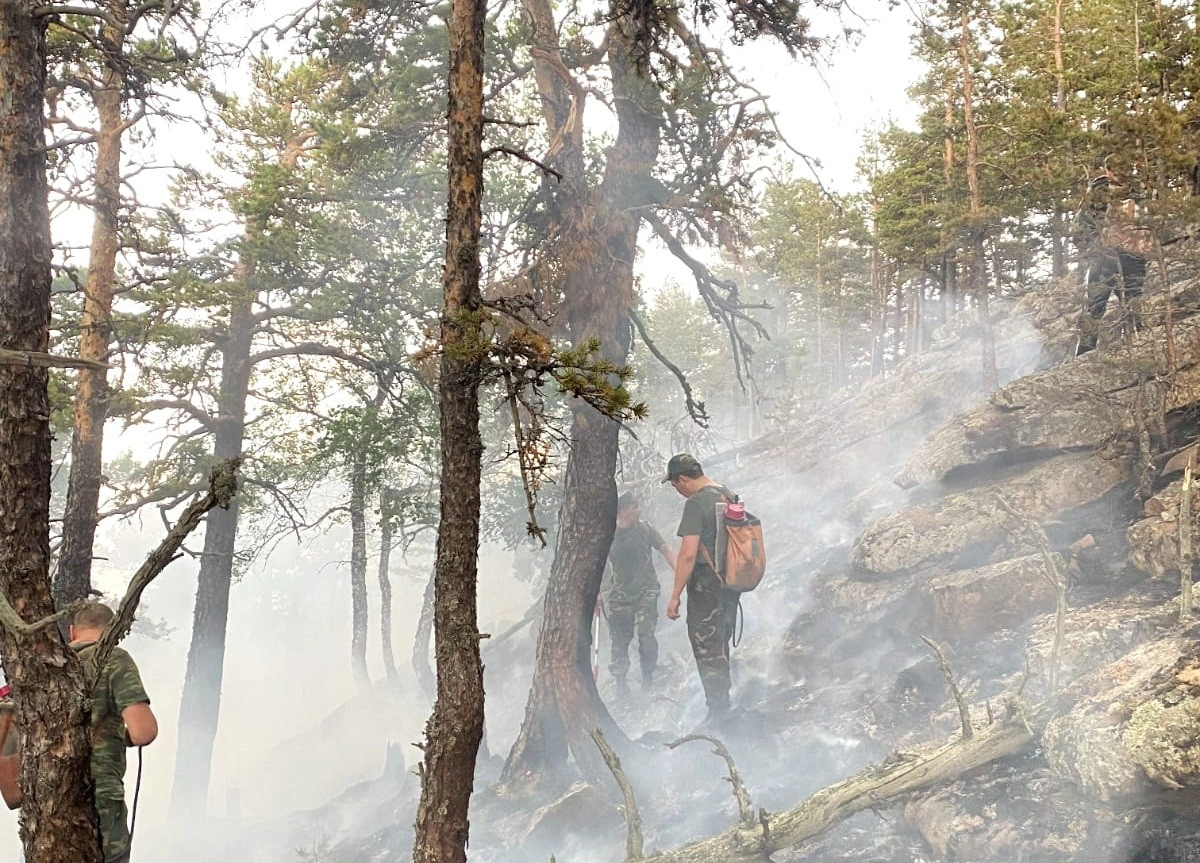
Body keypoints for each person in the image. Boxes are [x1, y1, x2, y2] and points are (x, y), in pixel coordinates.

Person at [69, 602, 158, 863]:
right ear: (115, 632)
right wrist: (120, 737)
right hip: (100, 800)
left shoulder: (48, 666)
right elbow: (144, 731)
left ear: (73, 632)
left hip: (46, 802)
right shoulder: (113, 658)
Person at [662, 453, 741, 724]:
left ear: (683, 479)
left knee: (707, 645)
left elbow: (687, 554)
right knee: (720, 642)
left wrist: (674, 596)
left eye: (675, 485)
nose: (677, 490)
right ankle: (723, 703)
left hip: (706, 587)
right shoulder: (725, 492)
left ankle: (718, 712)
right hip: (730, 584)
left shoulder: (697, 503)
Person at [602, 492, 677, 695]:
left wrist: (680, 573)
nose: (639, 510)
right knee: (619, 640)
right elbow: (595, 565)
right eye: (635, 506)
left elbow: (666, 549)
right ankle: (621, 683)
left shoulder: (645, 529)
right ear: (624, 510)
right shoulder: (607, 534)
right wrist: (595, 594)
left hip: (647, 590)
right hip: (620, 595)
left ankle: (648, 679)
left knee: (646, 634)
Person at [1074, 166, 1151, 355]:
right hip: (1133, 256)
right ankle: (1137, 349)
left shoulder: (1099, 189)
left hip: (1105, 257)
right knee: (1132, 305)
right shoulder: (1139, 192)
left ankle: (1084, 354)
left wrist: (1092, 248)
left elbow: (1081, 228)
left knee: (1095, 306)